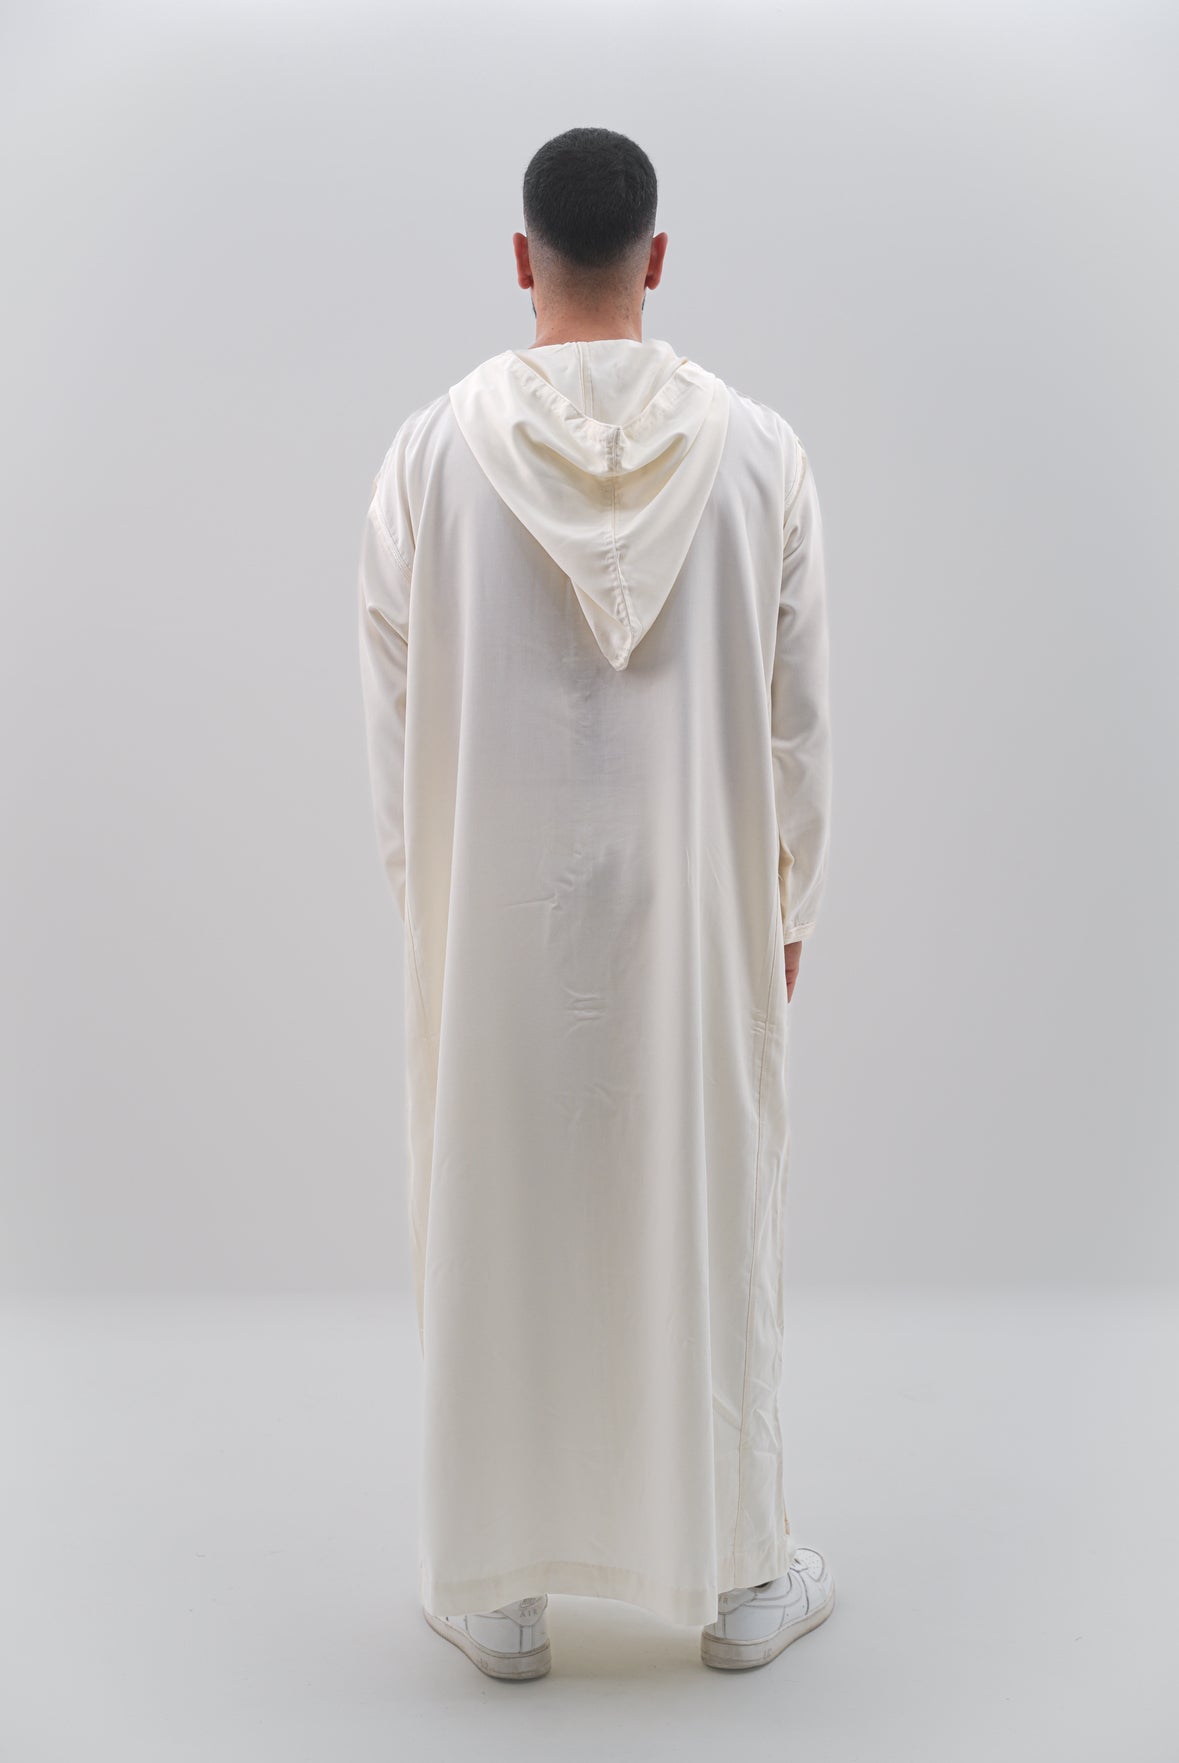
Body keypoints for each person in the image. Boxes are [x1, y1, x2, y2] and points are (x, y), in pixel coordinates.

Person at [357, 126, 835, 1680]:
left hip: (496, 912)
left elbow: (394, 714)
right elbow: (799, 723)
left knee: (499, 1211)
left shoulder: (428, 456)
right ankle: (742, 1582)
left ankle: (493, 1589)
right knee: (703, 1207)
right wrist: (790, 904)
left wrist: (424, 899)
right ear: (657, 258)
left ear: (522, 258)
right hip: (698, 909)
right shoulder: (761, 455)